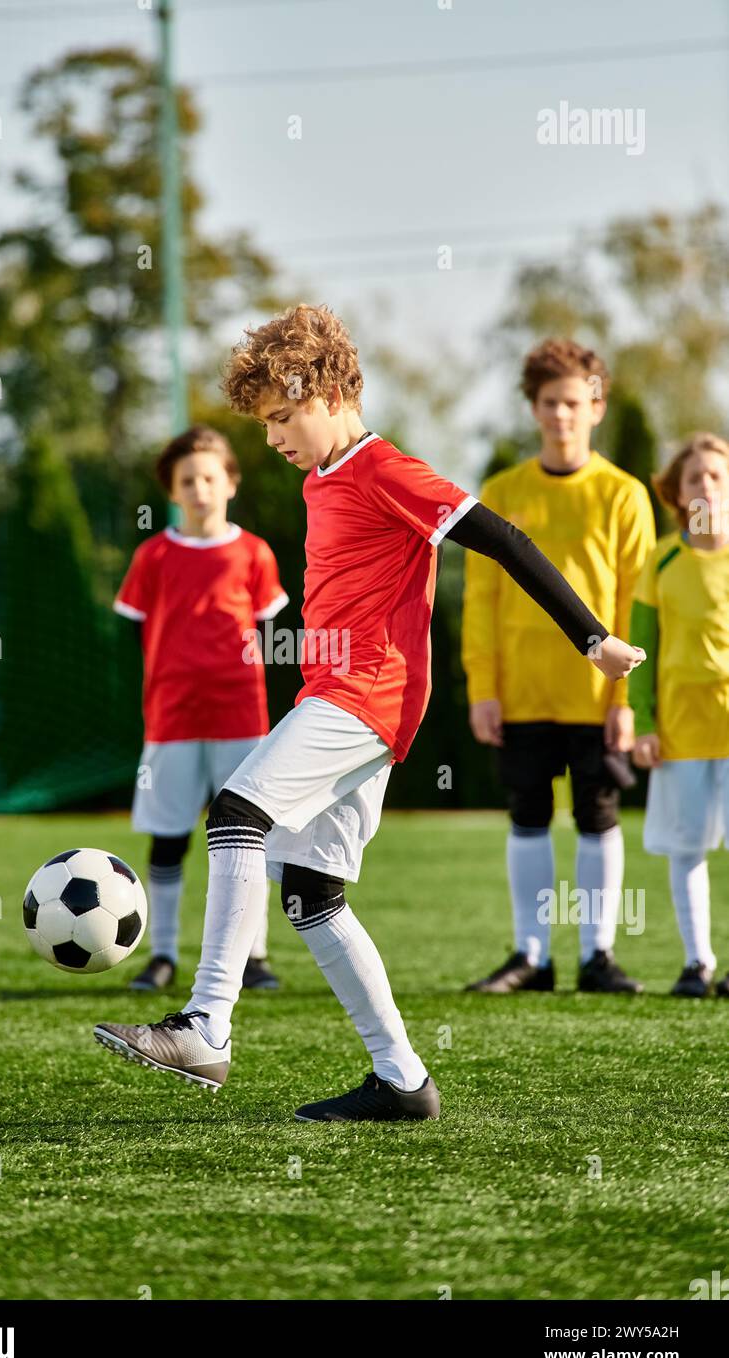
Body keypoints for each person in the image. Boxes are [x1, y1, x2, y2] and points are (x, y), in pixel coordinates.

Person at [94, 305, 644, 1122]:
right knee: (312, 893)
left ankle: (207, 1023)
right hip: (341, 696)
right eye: (266, 425)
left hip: (369, 694)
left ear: (327, 391)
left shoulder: (386, 468)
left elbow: (506, 539)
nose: (275, 439)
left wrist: (591, 638)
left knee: (236, 815)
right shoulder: (323, 476)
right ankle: (403, 1078)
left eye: (283, 418)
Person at [462, 339, 655, 995]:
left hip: (599, 696)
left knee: (599, 816)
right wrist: (482, 688)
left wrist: (629, 699)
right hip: (520, 692)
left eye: (574, 402)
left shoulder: (625, 495)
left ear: (595, 406)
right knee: (527, 815)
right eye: (550, 403)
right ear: (534, 407)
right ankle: (531, 957)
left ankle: (598, 957)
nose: (562, 415)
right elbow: (480, 599)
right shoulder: (501, 490)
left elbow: (639, 600)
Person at [114, 425, 288, 993]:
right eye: (187, 480)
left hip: (242, 717)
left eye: (210, 477)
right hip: (172, 720)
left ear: (230, 483)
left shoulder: (254, 553)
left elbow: (268, 637)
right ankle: (162, 953)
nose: (200, 489)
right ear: (172, 489)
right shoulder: (153, 555)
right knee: (169, 838)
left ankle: (254, 955)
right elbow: (134, 637)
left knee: (248, 838)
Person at [630, 433, 729, 998]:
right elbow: (641, 649)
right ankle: (697, 964)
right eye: (695, 478)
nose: (706, 486)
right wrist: (642, 721)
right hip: (680, 732)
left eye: (717, 475)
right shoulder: (661, 561)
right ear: (677, 492)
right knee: (687, 848)